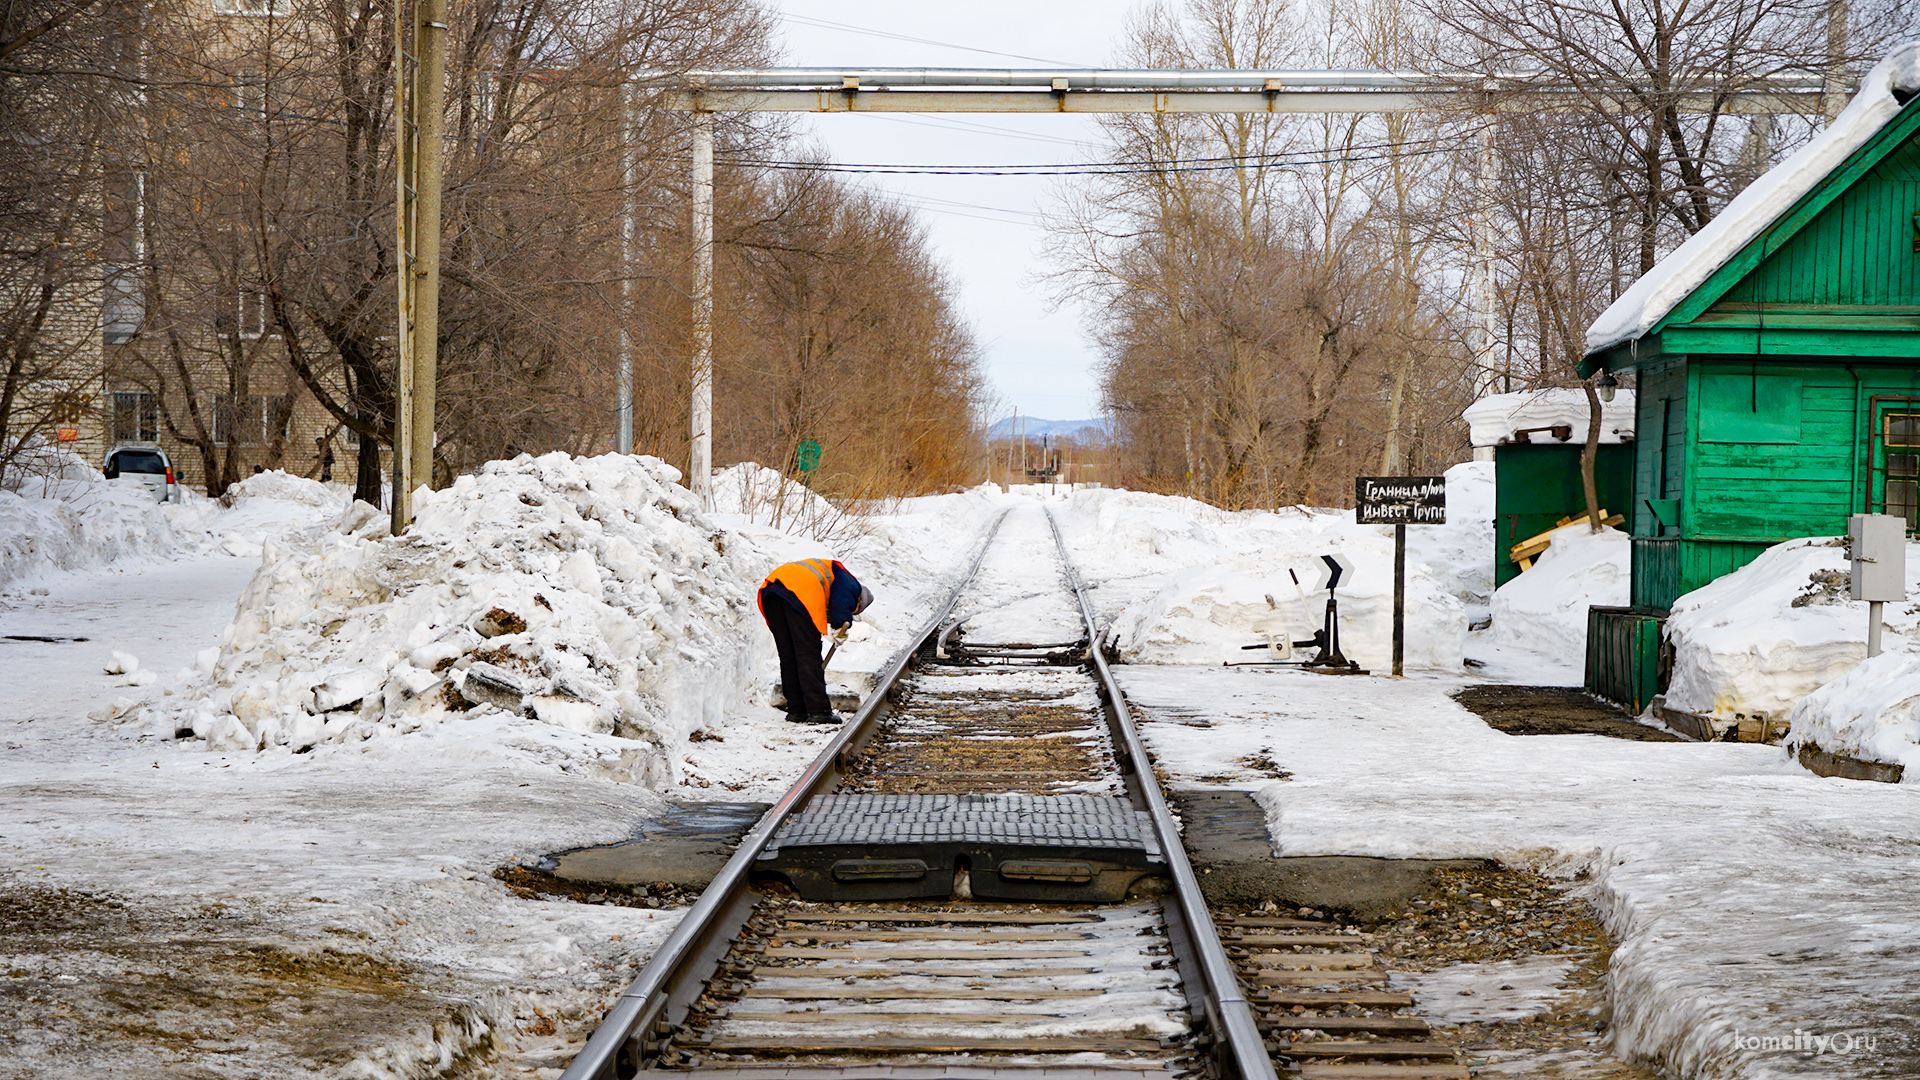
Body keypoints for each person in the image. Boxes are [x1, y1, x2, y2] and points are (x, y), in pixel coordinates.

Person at [758, 559, 872, 725]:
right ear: (859, 601)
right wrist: (841, 626)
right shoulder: (852, 584)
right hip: (798, 592)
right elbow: (842, 600)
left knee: (789, 655)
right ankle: (819, 711)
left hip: (773, 591)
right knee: (808, 655)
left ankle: (797, 710)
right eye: (854, 611)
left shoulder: (829, 575)